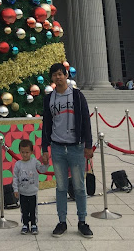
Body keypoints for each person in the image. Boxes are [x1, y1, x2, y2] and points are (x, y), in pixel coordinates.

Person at [40, 62, 94, 239]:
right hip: (57, 148)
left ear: (66, 75)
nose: (58, 77)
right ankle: (62, 221)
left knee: (79, 187)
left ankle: (82, 221)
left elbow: (86, 120)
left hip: (76, 148)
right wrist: (44, 148)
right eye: (55, 75)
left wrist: (88, 145)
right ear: (52, 78)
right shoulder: (49, 99)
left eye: (60, 74)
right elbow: (46, 124)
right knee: (61, 187)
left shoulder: (77, 96)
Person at [13, 139, 48, 235]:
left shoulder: (34, 162)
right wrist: (15, 189)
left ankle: (33, 224)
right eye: (22, 152)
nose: (25, 154)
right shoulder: (18, 164)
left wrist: (46, 163)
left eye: (27, 152)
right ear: (19, 151)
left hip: (33, 192)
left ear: (31, 152)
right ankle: (25, 224)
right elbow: (15, 178)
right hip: (22, 192)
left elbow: (42, 170)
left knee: (33, 209)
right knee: (24, 210)